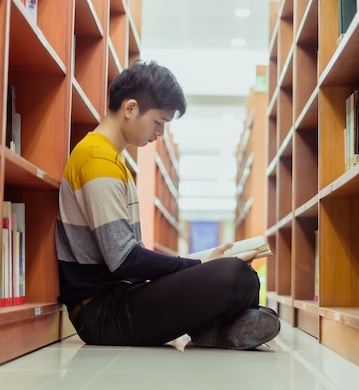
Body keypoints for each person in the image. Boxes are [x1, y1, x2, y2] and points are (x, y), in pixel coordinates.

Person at [55, 60, 280, 349]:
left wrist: (199, 265)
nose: (159, 133)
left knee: (242, 274)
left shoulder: (111, 159)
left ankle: (216, 331)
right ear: (131, 108)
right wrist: (198, 264)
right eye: (159, 122)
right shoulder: (97, 159)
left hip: (121, 301)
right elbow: (124, 260)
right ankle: (221, 327)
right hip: (101, 316)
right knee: (234, 275)